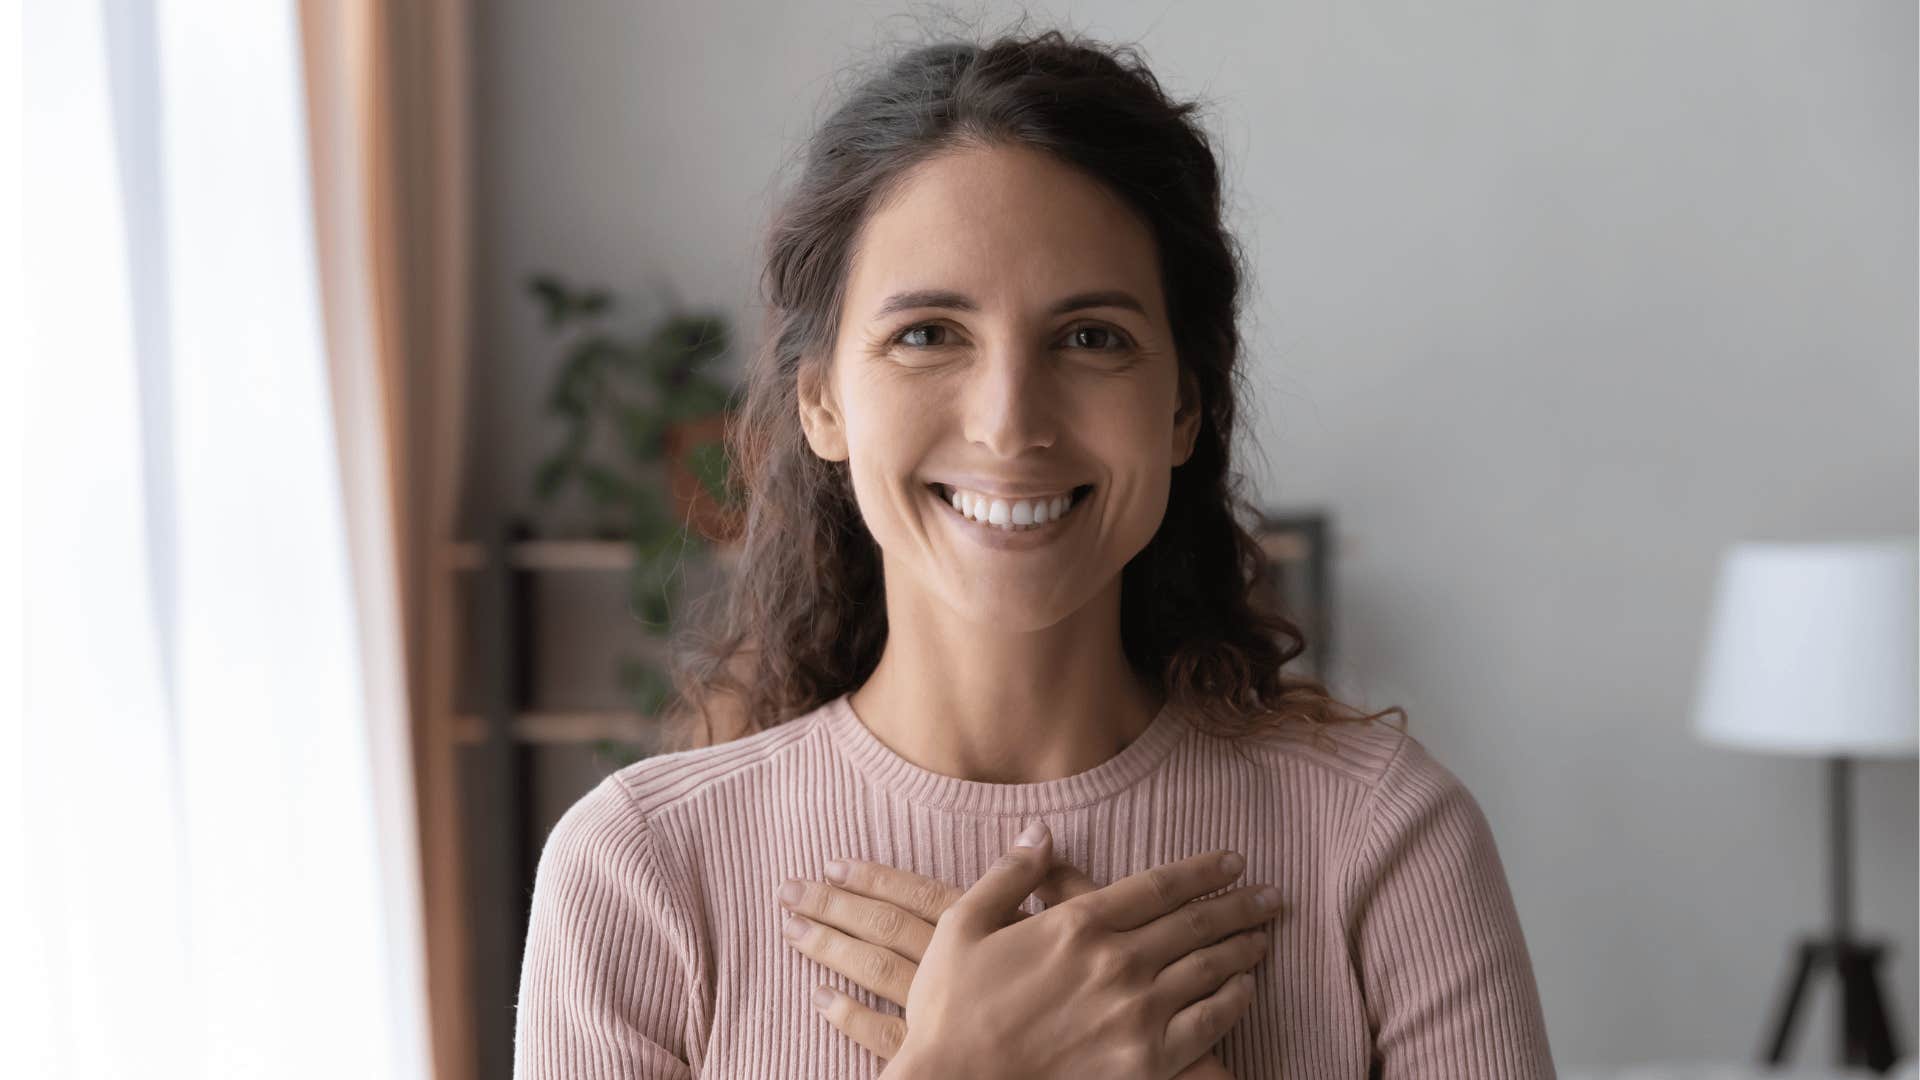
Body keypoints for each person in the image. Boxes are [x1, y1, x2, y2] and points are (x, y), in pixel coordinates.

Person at [513, 27, 1556, 1080]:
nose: (1011, 425)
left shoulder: (1382, 842)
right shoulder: (643, 872)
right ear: (821, 399)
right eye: (928, 334)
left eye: (1091, 337)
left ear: (1184, 408)